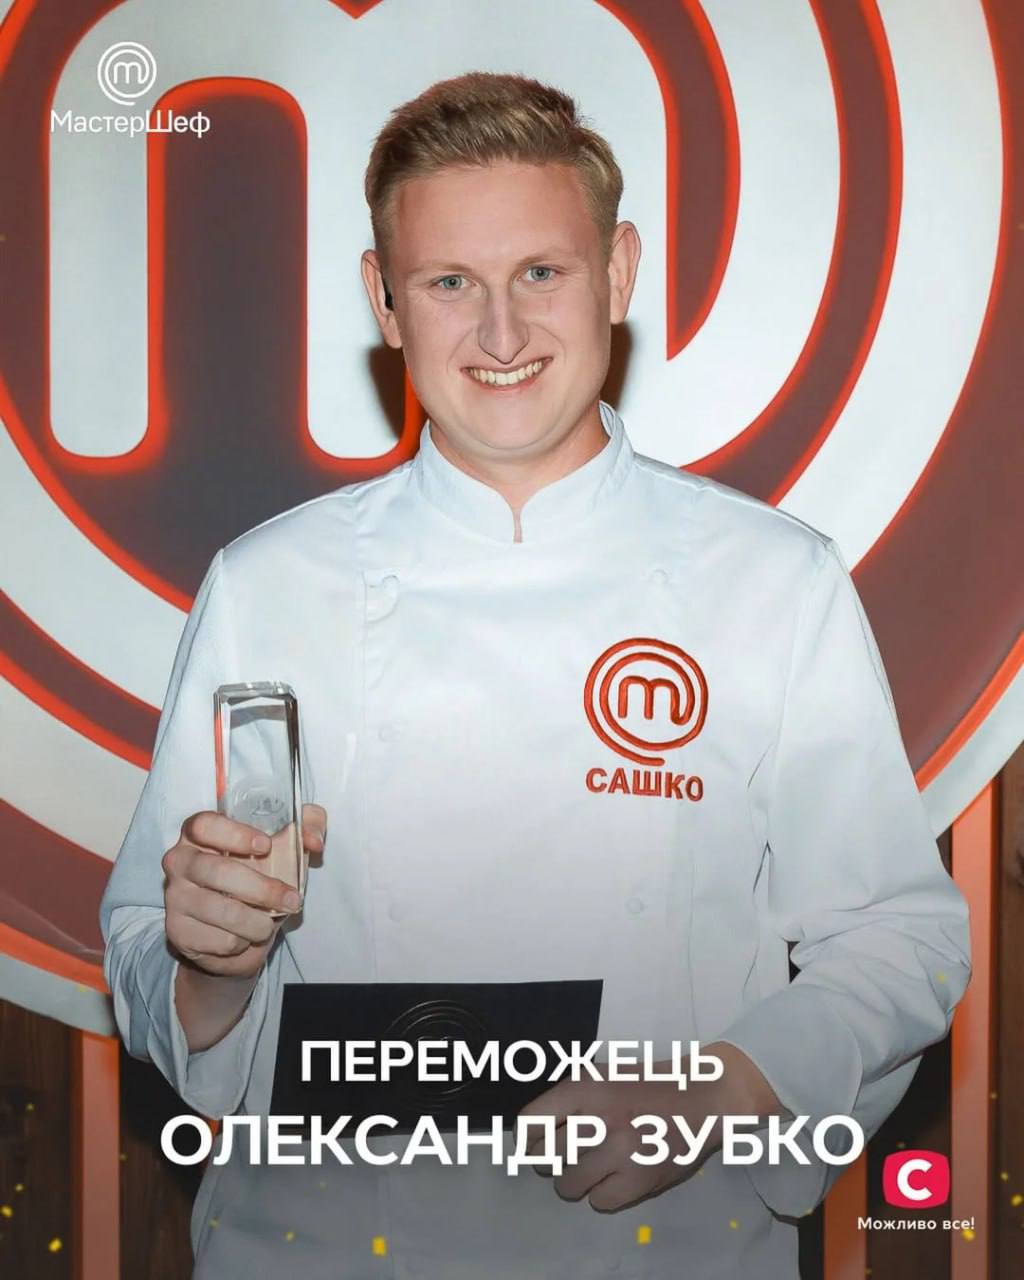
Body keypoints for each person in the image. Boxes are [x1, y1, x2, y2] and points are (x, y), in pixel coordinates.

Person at [100, 72, 971, 1278]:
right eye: (449, 282)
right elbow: (151, 953)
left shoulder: (773, 580)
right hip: (324, 1246)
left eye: (541, 273)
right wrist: (210, 962)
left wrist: (722, 1084)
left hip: (661, 1249)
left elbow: (897, 937)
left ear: (617, 273)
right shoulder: (269, 583)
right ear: (384, 301)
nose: (500, 335)